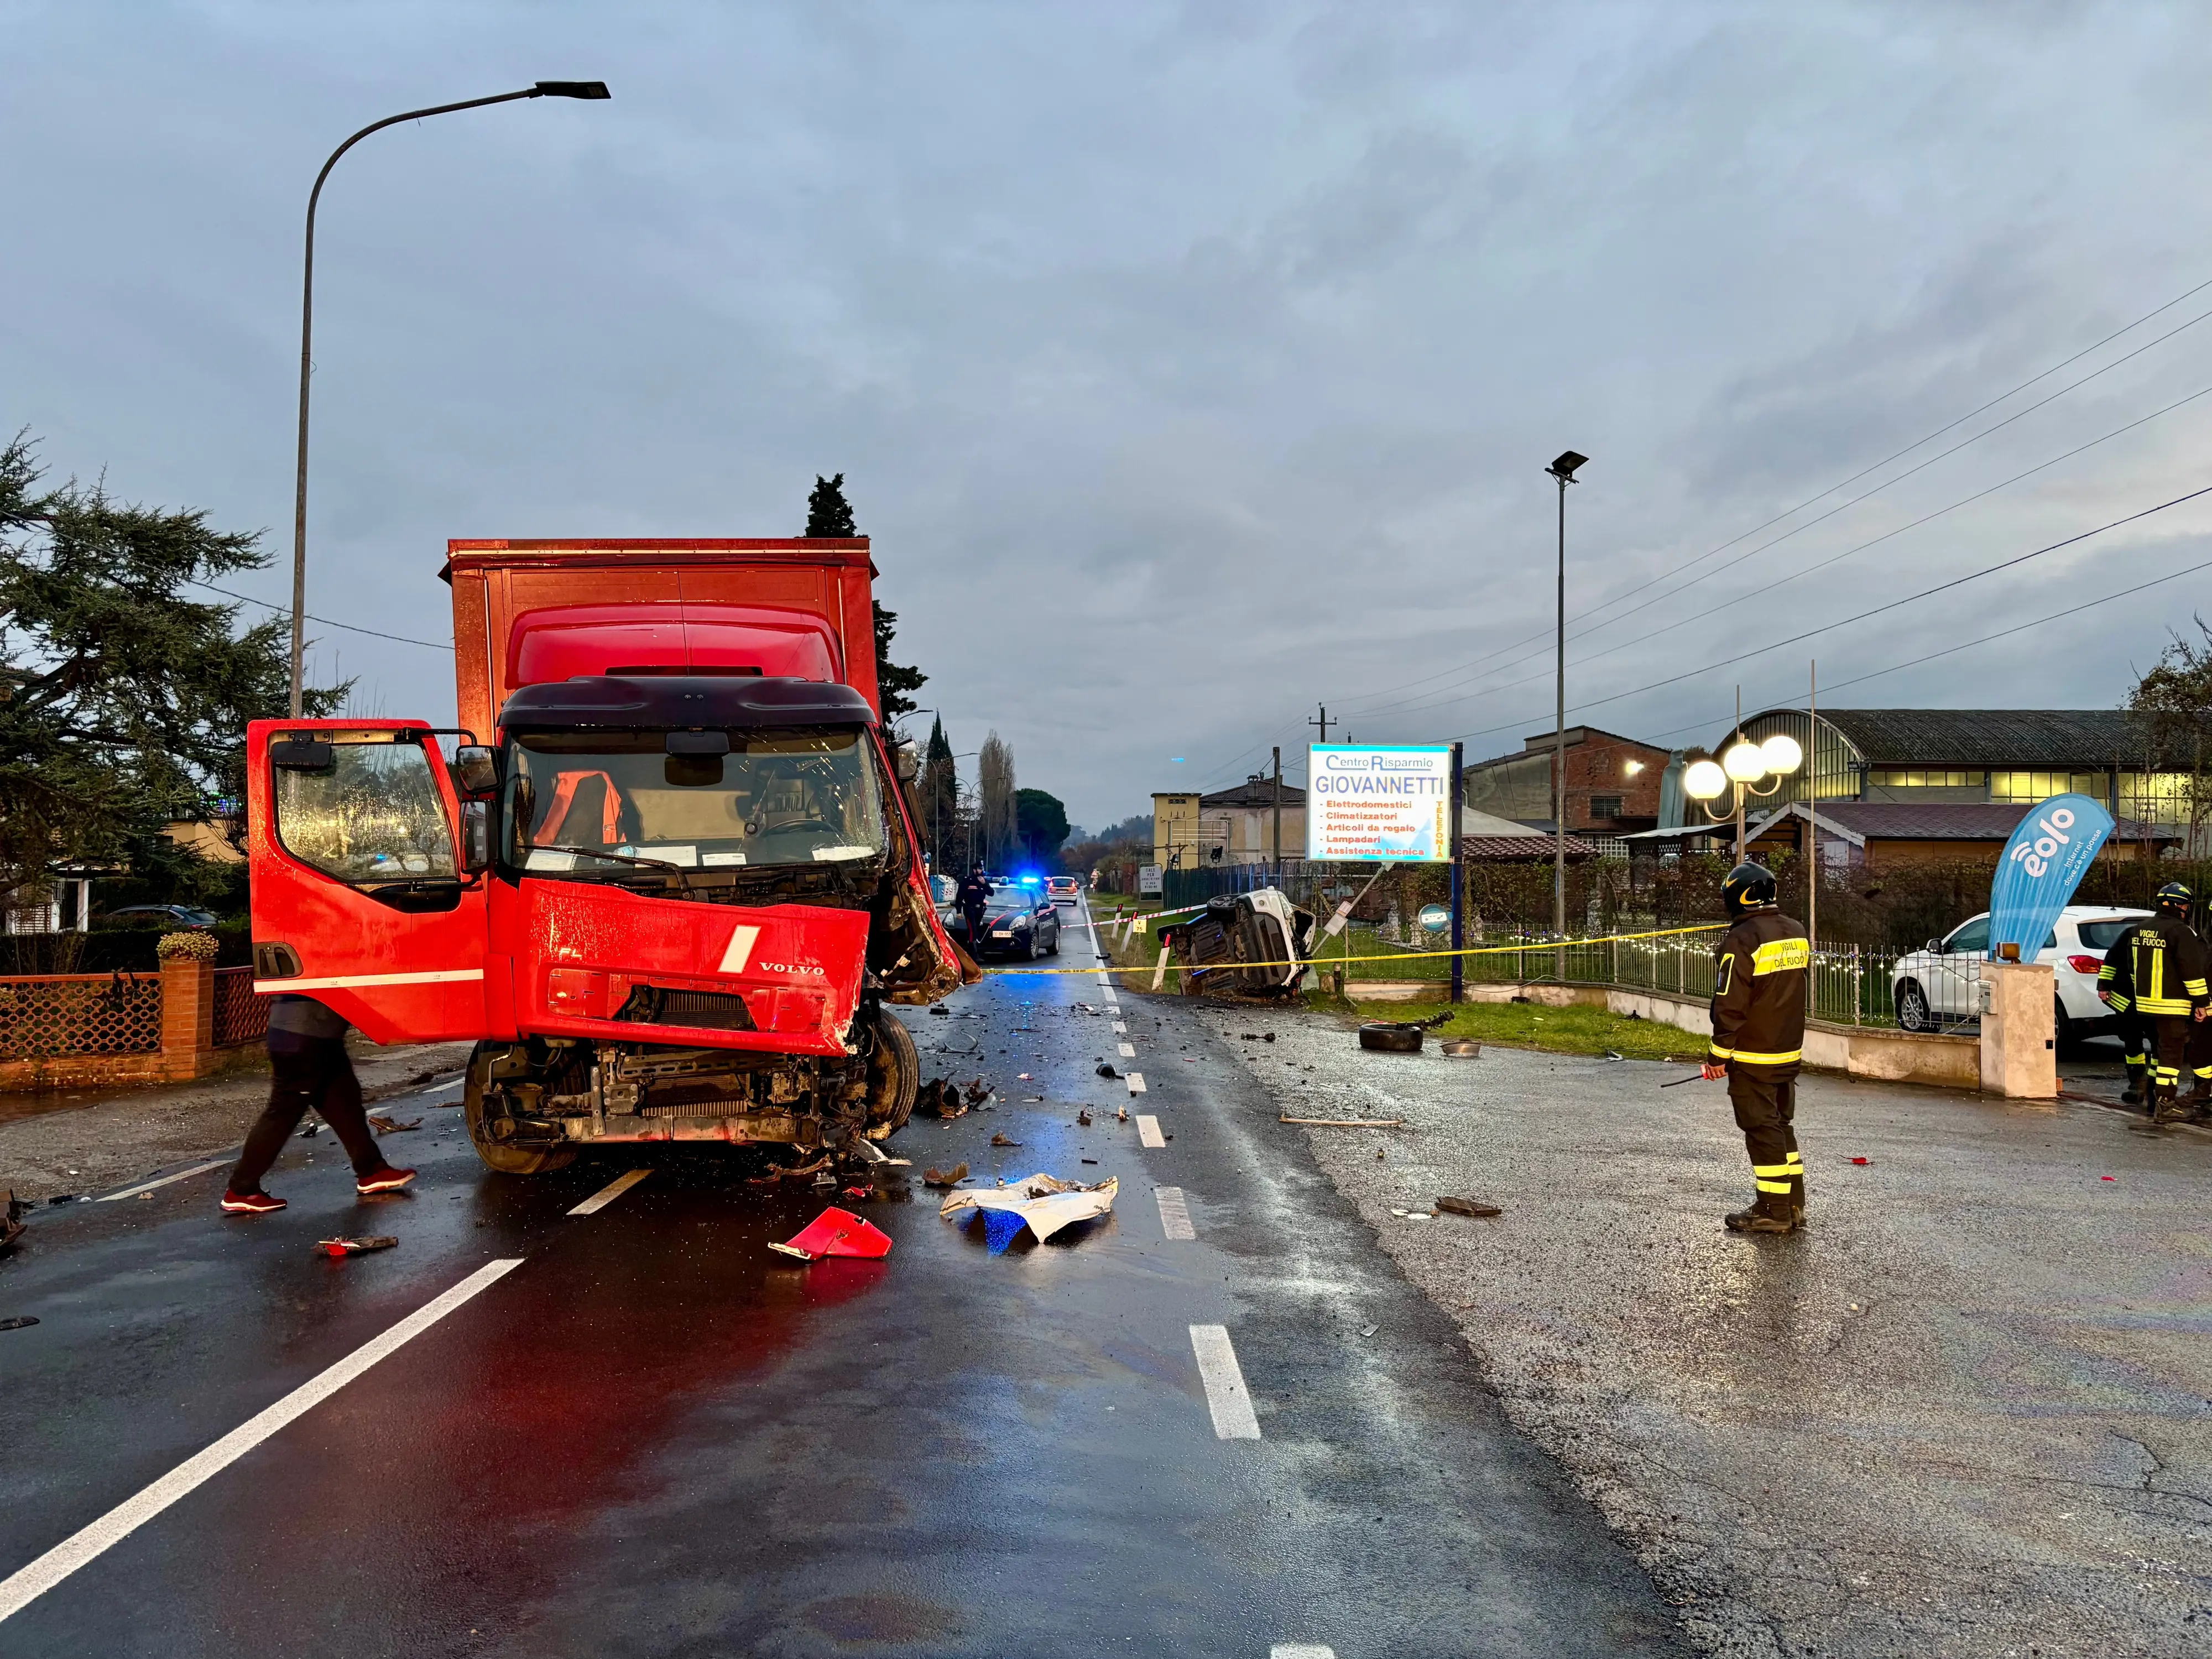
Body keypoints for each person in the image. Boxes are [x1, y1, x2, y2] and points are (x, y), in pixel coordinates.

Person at [220, 995, 416, 1214]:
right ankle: (241, 1189)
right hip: (302, 1038)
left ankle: (372, 1170)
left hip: (317, 1035)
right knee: (284, 1112)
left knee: (345, 1103)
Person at [1700, 862, 1810, 1234]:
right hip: (1788, 1050)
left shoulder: (1743, 940)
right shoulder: (1796, 931)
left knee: (1762, 1130)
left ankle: (1773, 1210)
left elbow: (1731, 1003)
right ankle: (1793, 1204)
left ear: (1736, 895)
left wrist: (1718, 1055)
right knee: (1780, 1127)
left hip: (1753, 1055)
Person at [2096, 882, 2210, 1125]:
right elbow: (2191, 972)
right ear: (2180, 906)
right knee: (2171, 1056)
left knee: (2158, 1052)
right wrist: (2202, 1003)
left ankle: (2148, 1091)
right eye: (2186, 906)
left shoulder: (2140, 930)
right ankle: (2166, 1105)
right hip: (2172, 1006)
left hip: (2144, 1005)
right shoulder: (2181, 932)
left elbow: (2129, 965)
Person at [957, 863, 992, 950]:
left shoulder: (984, 881)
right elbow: (959, 897)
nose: (982, 870)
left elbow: (991, 893)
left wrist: (985, 884)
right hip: (970, 909)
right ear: (975, 870)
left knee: (976, 930)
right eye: (980, 868)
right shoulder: (967, 881)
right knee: (973, 931)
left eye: (982, 868)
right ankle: (974, 954)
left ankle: (974, 949)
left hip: (980, 910)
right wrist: (958, 911)